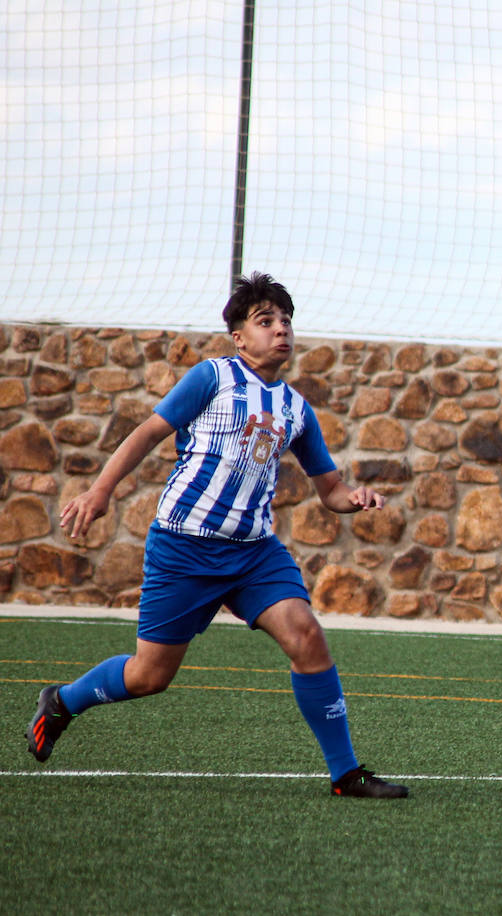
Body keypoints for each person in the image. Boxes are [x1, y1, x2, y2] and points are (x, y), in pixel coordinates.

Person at [28, 272, 408, 799]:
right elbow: (147, 432)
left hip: (254, 553)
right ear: (238, 337)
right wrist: (99, 491)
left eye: (286, 321)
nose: (281, 329)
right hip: (183, 548)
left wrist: (356, 498)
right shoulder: (212, 377)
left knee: (307, 637)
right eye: (265, 321)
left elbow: (331, 490)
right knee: (149, 677)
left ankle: (345, 774)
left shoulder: (296, 408)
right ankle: (63, 701)